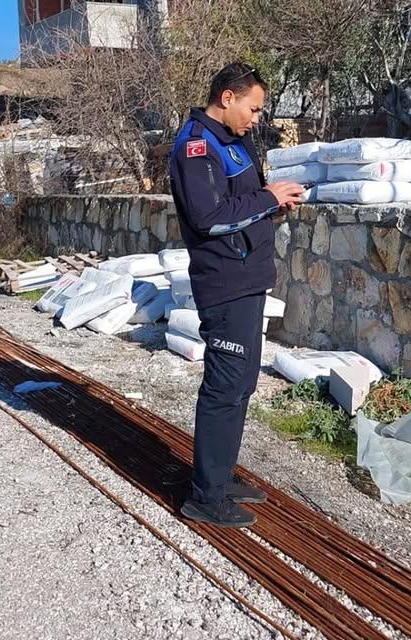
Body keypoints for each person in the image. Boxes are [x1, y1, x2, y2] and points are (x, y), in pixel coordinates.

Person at [169, 63, 304, 528]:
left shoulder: (234, 143)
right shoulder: (196, 146)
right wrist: (268, 198)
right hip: (224, 283)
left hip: (247, 278)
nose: (257, 118)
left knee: (243, 383)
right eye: (253, 108)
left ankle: (220, 477)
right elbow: (209, 217)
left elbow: (243, 203)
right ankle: (205, 497)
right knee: (224, 387)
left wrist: (274, 203)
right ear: (227, 98)